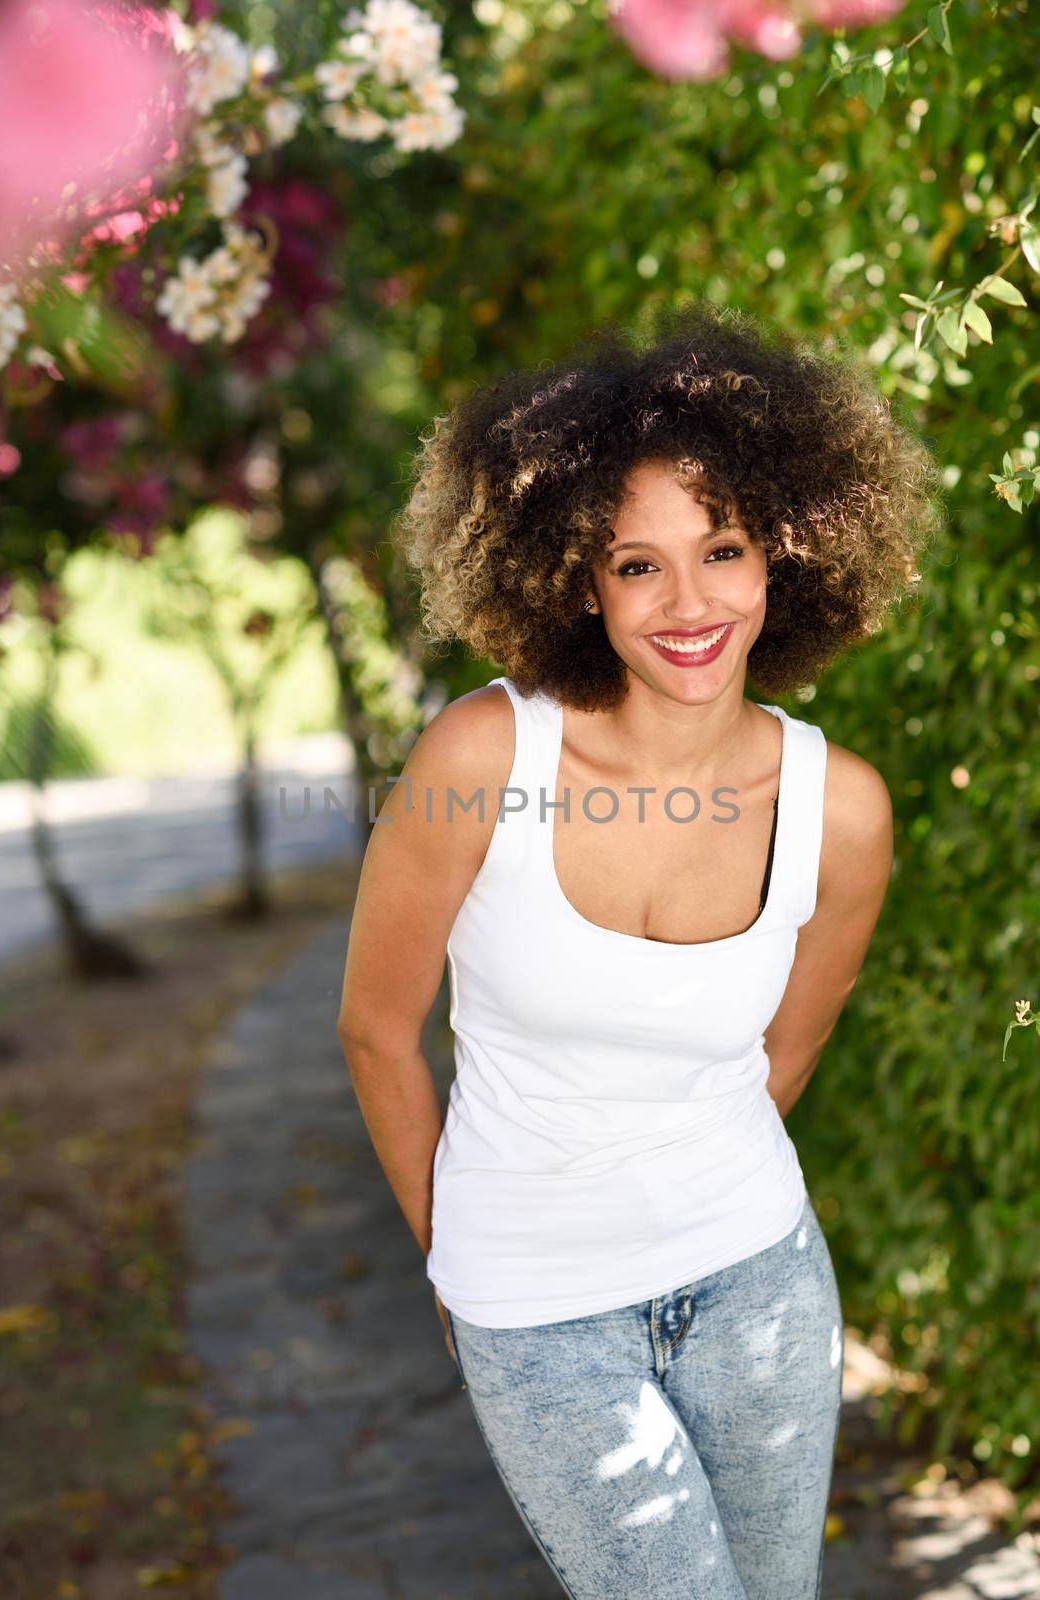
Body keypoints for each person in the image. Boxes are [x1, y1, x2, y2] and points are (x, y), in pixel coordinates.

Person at [335, 299, 941, 1598]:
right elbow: (379, 1031)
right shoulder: (482, 757)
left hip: (758, 1281)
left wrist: (676, 1175)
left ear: (785, 552)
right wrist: (458, 1256)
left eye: (720, 549)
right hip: (538, 1308)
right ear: (575, 578)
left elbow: (789, 1046)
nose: (688, 603)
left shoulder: (842, 808)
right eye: (636, 564)